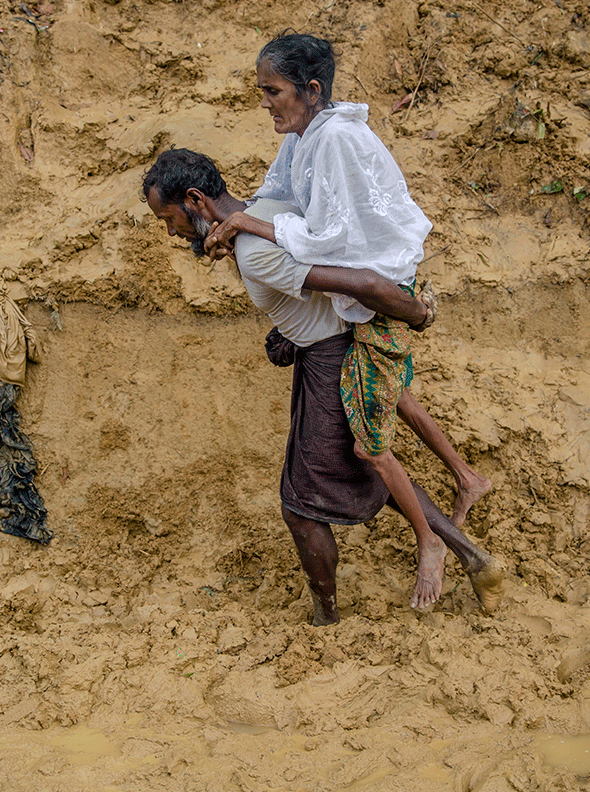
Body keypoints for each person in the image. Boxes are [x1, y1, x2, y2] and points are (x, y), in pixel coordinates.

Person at [143, 148, 505, 622]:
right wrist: (289, 331)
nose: (171, 232)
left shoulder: (254, 251)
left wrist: (414, 311)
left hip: (330, 357)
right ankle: (476, 560)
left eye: (169, 219)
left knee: (300, 504)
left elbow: (352, 282)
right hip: (327, 347)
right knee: (370, 465)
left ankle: (326, 616)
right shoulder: (267, 211)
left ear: (194, 199)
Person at [203, 32, 479, 608]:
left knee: (369, 443)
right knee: (384, 394)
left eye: (273, 91)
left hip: (380, 292)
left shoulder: (336, 140)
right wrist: (242, 222)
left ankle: (432, 541)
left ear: (310, 89)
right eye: (262, 92)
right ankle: (463, 484)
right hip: (362, 300)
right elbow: (274, 196)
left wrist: (248, 227)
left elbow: (328, 239)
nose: (266, 103)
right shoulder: (305, 138)